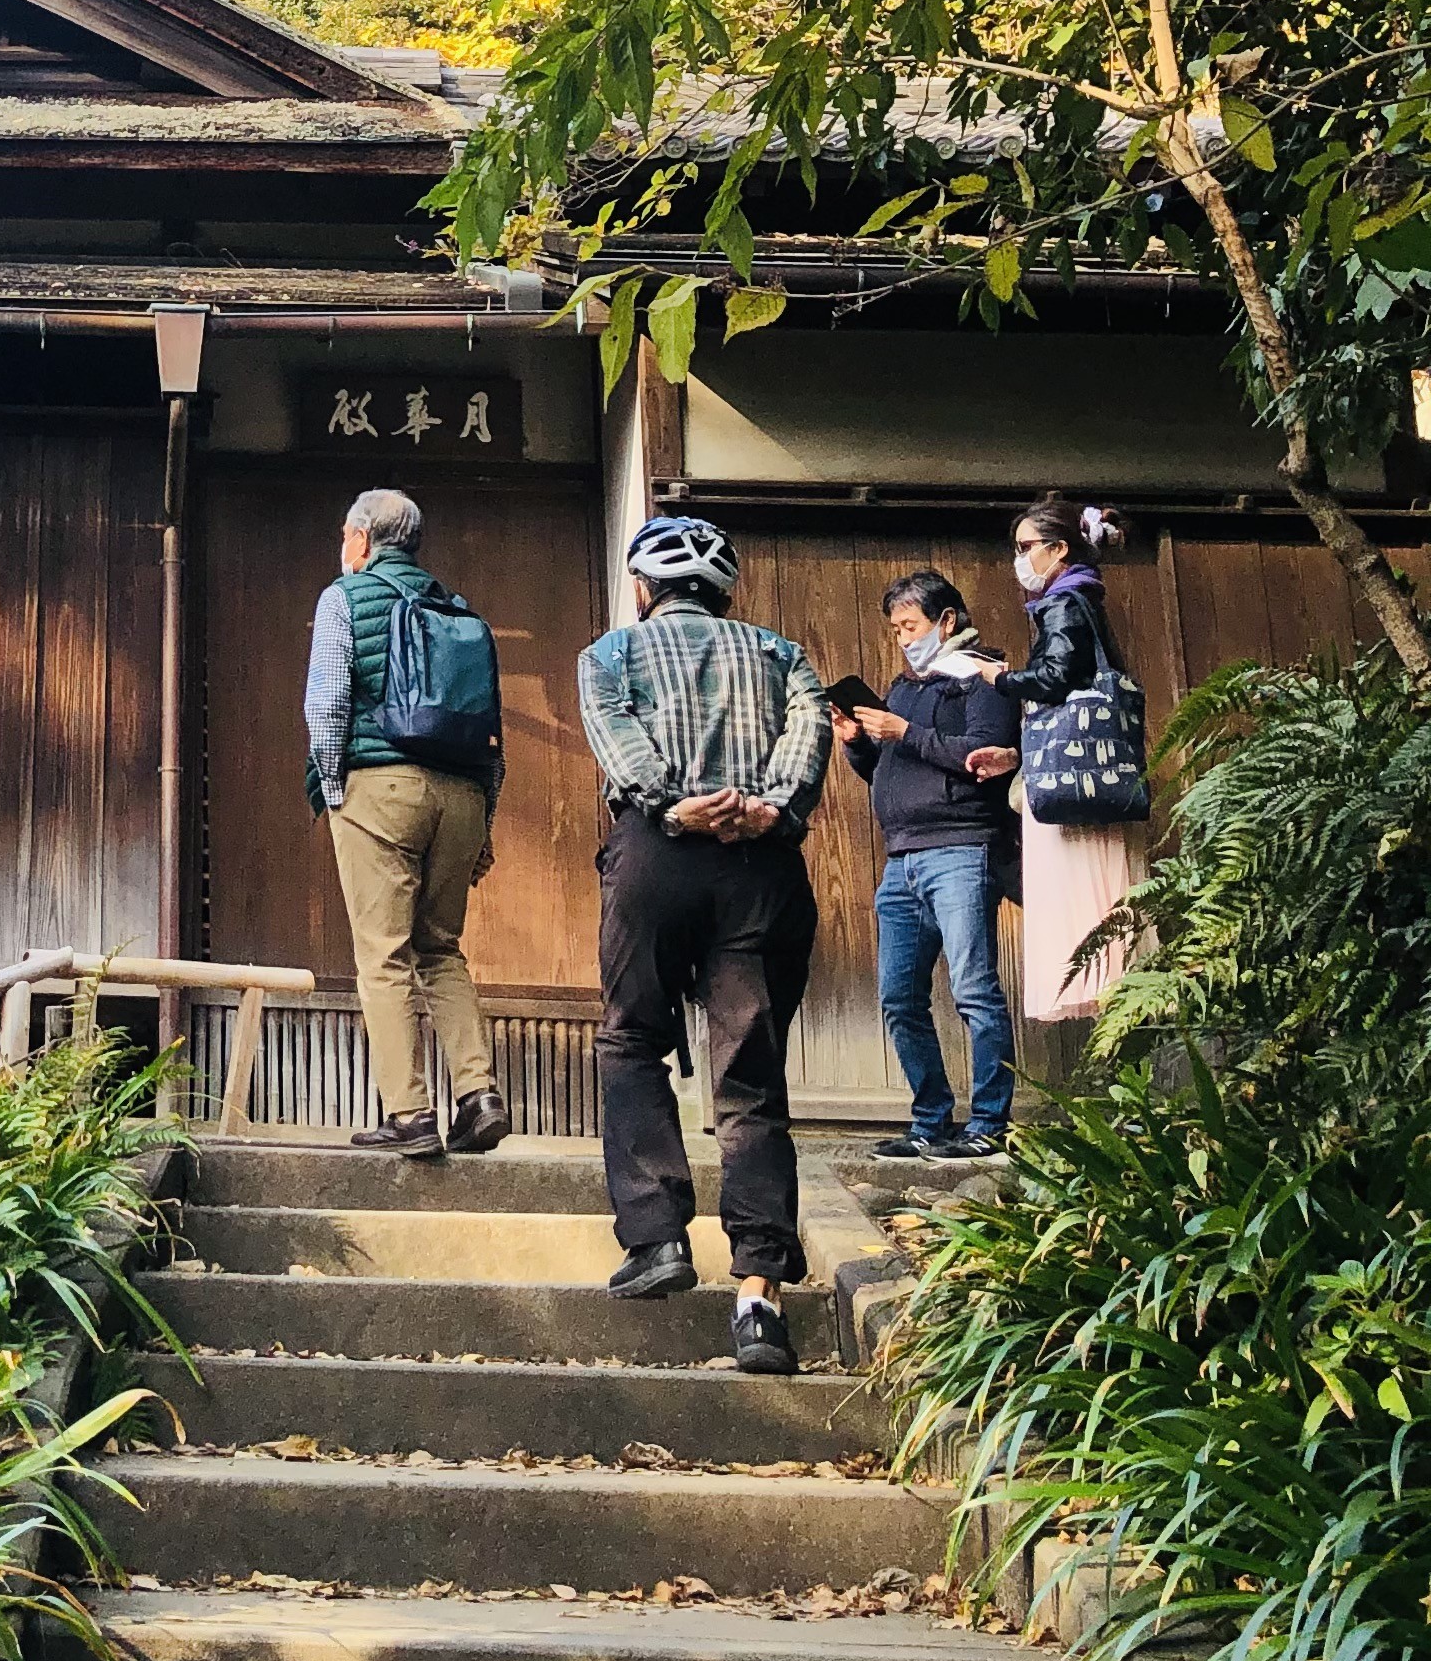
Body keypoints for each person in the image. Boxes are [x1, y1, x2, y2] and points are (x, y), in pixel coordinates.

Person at [575, 513, 833, 1375]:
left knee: (632, 1038)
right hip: (759, 865)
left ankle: (656, 1240)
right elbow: (812, 733)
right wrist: (772, 805)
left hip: (658, 857)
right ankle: (759, 1304)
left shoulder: (610, 653)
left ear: (644, 590)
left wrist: (669, 802)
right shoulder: (782, 653)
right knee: (750, 1075)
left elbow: (619, 740)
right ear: (727, 592)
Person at [303, 488, 512, 1163]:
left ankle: (410, 1113)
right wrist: (485, 821)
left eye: (345, 535)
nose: (343, 547)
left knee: (383, 955)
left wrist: (333, 784)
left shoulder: (344, 596)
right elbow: (493, 733)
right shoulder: (459, 611)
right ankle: (478, 1097)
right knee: (441, 948)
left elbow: (328, 701)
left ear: (361, 540)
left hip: (379, 789)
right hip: (462, 797)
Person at [831, 572, 1020, 1162]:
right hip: (902, 861)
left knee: (973, 990)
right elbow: (894, 774)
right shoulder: (904, 687)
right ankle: (931, 1121)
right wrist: (861, 743)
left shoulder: (985, 678)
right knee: (898, 997)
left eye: (909, 626)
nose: (902, 639)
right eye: (895, 629)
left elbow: (981, 759)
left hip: (962, 849)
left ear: (947, 621)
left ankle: (989, 1123)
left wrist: (905, 730)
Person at [1001, 492, 1147, 1020]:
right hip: (1099, 774)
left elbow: (1054, 677)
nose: (1019, 559)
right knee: (1110, 914)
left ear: (1059, 549)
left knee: (1081, 915)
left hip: (1070, 788)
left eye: (1026, 547)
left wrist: (996, 677)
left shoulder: (1065, 602)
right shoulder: (1084, 597)